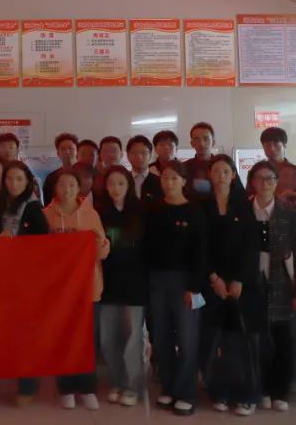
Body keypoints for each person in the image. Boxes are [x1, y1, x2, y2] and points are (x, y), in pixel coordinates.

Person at [246, 160, 296, 412]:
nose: (265, 183)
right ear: (252, 182)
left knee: (283, 340)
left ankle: (279, 391)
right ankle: (261, 389)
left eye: (270, 179)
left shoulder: (290, 214)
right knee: (258, 340)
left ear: (276, 183)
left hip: (283, 285)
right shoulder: (243, 211)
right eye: (260, 178)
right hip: (251, 284)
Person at [43, 169, 110, 410]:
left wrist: (99, 242)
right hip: (59, 290)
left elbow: (102, 253)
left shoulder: (91, 214)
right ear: (55, 188)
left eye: (72, 184)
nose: (67, 190)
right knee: (63, 339)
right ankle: (66, 388)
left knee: (86, 341)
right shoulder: (46, 215)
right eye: (62, 185)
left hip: (87, 287)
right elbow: (40, 253)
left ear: (79, 188)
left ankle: (87, 388)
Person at [145, 160, 207, 416]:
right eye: (165, 178)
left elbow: (201, 253)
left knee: (187, 338)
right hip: (157, 281)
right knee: (161, 337)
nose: (168, 182)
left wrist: (194, 286)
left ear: (183, 181)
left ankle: (186, 392)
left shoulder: (195, 212)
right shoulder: (153, 210)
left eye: (174, 178)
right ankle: (168, 388)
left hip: (185, 282)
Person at [200, 155, 259, 416]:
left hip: (241, 284)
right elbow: (199, 247)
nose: (221, 176)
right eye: (216, 171)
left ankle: (246, 395)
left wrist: (239, 280)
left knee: (241, 342)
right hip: (213, 283)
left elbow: (251, 247)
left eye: (226, 171)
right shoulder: (202, 206)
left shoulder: (244, 205)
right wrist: (214, 278)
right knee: (215, 340)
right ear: (209, 175)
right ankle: (219, 392)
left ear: (233, 175)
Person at [0, 160, 49, 405]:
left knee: (27, 331)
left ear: (27, 182)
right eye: (9, 178)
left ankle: (28, 385)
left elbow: (44, 244)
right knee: (11, 330)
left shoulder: (34, 207)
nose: (13, 183)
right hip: (3, 276)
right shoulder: (0, 205)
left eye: (18, 179)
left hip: (28, 279)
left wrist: (16, 242)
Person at [95, 165, 147, 408]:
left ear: (129, 185)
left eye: (121, 183)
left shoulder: (141, 211)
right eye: (111, 184)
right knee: (108, 338)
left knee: (132, 338)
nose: (116, 189)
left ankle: (132, 386)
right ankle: (118, 381)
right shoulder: (100, 213)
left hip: (135, 284)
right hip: (108, 284)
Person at [125, 135, 162, 210]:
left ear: (150, 156)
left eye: (143, 152)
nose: (139, 156)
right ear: (128, 156)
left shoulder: (159, 182)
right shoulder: (123, 181)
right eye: (134, 152)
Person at [183, 123, 216, 202]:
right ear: (192, 144)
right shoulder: (183, 167)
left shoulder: (224, 166)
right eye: (196, 139)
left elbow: (237, 194)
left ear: (213, 142)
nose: (201, 143)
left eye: (206, 139)